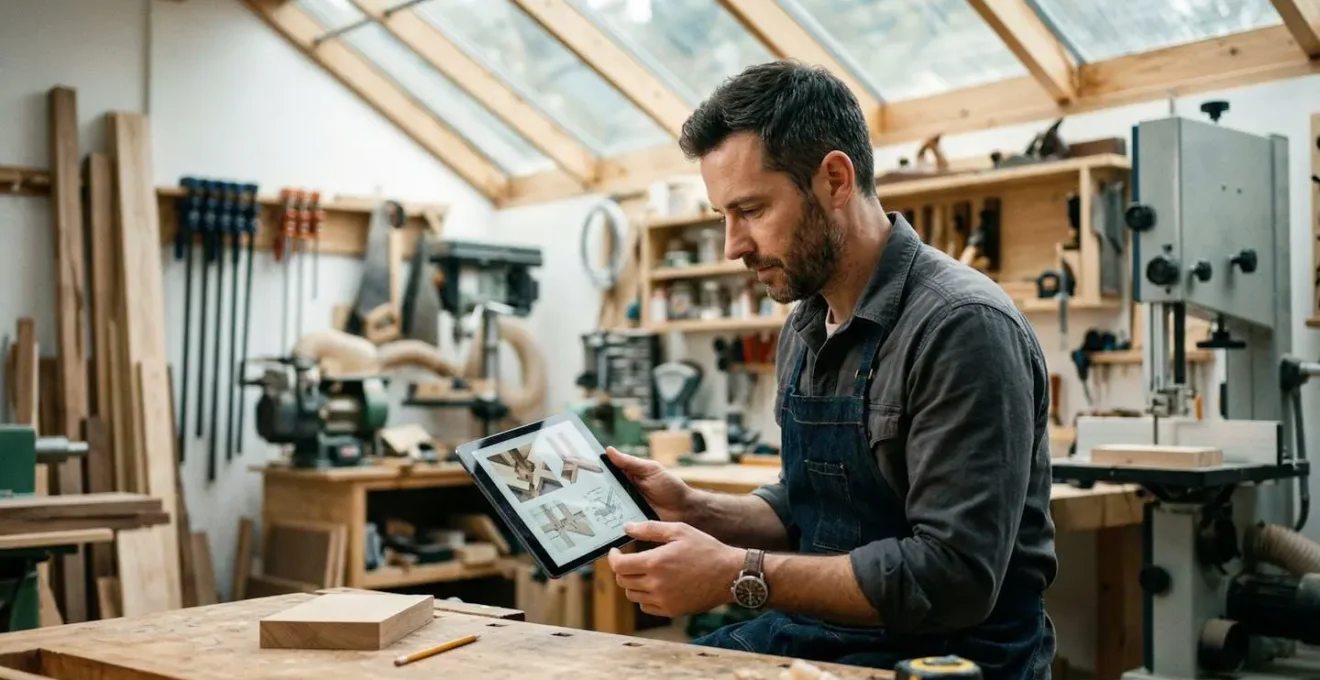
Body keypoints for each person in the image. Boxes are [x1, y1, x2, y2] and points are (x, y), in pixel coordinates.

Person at [603, 60, 1057, 680]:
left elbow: (952, 579)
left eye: (752, 210)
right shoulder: (806, 321)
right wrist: (695, 509)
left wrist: (737, 574)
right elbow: (808, 510)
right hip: (821, 641)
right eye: (723, 218)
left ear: (835, 179)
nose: (732, 246)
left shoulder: (961, 326)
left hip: (952, 658)